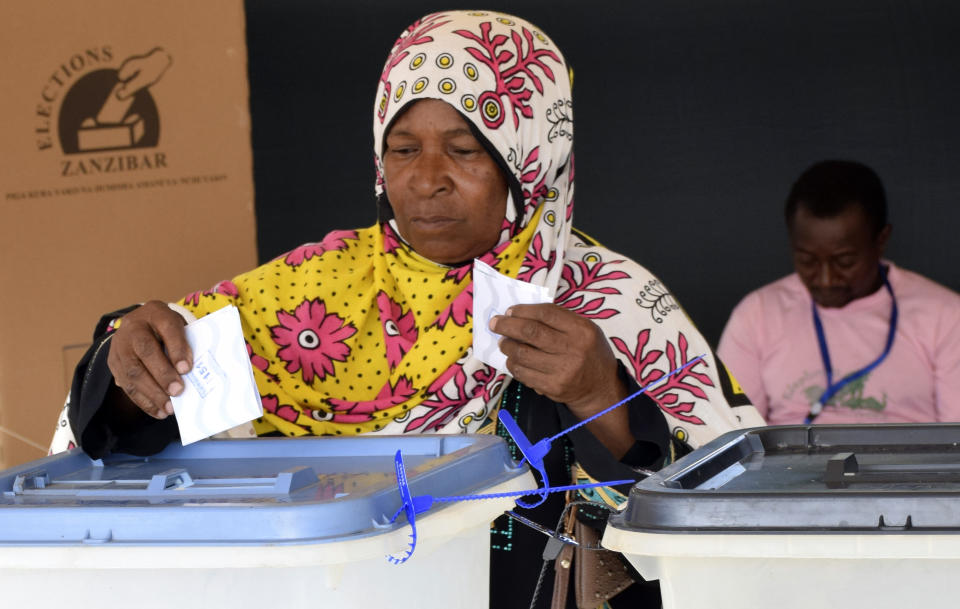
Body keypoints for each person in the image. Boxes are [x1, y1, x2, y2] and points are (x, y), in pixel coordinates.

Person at [54, 11, 761, 608]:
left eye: (465, 150)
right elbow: (140, 419)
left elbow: (729, 514)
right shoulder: (318, 295)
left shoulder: (610, 305)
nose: (426, 180)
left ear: (531, 164)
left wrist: (601, 395)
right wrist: (130, 363)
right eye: (402, 149)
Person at [718, 159, 960, 425]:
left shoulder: (946, 316)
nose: (825, 279)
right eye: (807, 261)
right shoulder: (757, 314)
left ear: (881, 241)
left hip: (909, 466)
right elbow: (732, 434)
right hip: (787, 467)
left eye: (844, 261)